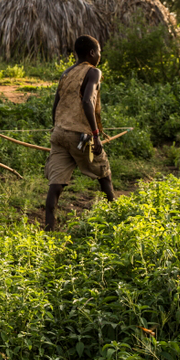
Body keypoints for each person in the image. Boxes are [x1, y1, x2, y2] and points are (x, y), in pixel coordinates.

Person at [44, 35, 115, 231]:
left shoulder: (66, 73)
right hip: (80, 136)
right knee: (104, 174)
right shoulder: (93, 72)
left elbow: (55, 106)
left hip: (59, 133)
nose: (100, 56)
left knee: (56, 185)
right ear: (92, 53)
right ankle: (117, 217)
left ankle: (49, 230)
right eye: (99, 52)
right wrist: (95, 134)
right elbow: (87, 101)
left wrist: (58, 128)